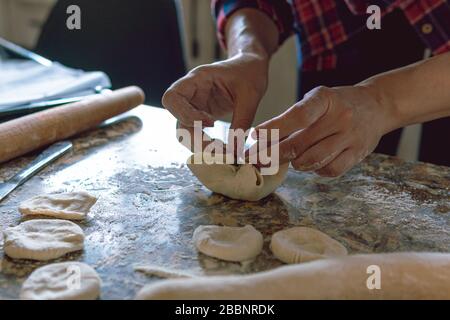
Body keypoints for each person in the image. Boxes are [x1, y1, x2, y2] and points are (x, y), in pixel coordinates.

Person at [162, 0, 450, 176]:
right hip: (336, 23)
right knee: (328, 172)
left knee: (438, 198)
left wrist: (381, 102)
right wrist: (248, 52)